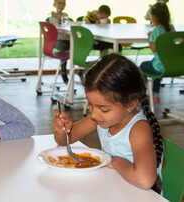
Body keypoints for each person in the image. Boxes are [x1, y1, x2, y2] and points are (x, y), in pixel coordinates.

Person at [53, 53, 163, 194]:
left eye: (103, 109)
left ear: (131, 103)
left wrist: (116, 162)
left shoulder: (138, 129)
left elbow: (144, 180)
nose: (94, 114)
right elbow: (64, 141)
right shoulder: (101, 119)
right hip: (114, 189)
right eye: (91, 104)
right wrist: (62, 130)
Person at [140, 2, 174, 104]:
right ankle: (155, 94)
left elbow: (153, 48)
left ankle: (143, 95)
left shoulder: (156, 31)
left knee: (143, 66)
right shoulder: (171, 29)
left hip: (160, 67)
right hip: (171, 65)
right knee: (155, 64)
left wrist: (150, 38)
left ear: (154, 17)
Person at [48, 0, 70, 84]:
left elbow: (66, 26)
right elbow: (56, 27)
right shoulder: (51, 17)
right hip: (58, 39)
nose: (62, 5)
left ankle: (80, 71)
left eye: (64, 3)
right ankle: (63, 71)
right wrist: (55, 17)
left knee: (78, 47)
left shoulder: (65, 15)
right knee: (64, 48)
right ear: (54, 5)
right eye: (59, 3)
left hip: (67, 39)